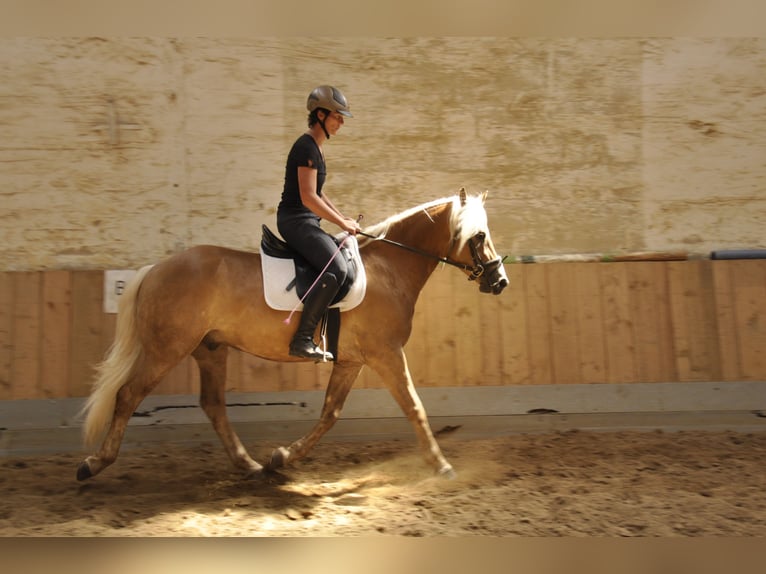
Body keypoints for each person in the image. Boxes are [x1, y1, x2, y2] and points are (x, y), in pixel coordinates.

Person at [277, 85, 362, 361]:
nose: (341, 122)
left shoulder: (317, 148)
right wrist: (341, 223)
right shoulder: (306, 147)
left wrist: (342, 217)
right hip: (295, 220)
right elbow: (308, 197)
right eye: (337, 116)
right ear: (321, 114)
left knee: (343, 266)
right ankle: (302, 339)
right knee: (335, 266)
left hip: (307, 220)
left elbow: (319, 191)